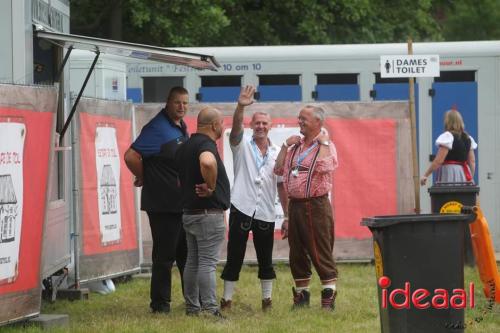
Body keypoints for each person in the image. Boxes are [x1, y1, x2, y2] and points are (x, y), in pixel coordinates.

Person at [220, 86, 288, 311]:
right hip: (241, 206)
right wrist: (240, 106)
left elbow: (281, 186)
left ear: (270, 127)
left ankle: (267, 300)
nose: (260, 126)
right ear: (251, 125)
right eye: (257, 123)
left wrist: (286, 215)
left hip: (266, 211)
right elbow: (236, 127)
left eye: (264, 123)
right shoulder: (240, 145)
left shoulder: (278, 151)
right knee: (235, 255)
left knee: (265, 257)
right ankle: (227, 299)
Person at [124, 86, 189, 314]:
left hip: (180, 204)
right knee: (164, 256)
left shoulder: (181, 126)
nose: (181, 107)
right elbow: (131, 155)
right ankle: (160, 304)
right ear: (167, 103)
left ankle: (192, 299)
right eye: (177, 103)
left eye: (185, 103)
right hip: (162, 204)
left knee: (186, 254)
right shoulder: (156, 127)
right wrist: (143, 175)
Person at [274, 105, 339, 310]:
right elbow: (277, 169)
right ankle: (302, 296)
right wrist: (284, 146)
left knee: (320, 249)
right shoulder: (295, 147)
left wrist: (324, 142)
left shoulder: (326, 145)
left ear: (318, 122)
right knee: (297, 252)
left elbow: (325, 167)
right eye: (299, 118)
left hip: (316, 205)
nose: (299, 121)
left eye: (304, 119)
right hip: (295, 206)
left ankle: (328, 295)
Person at [175, 107, 230, 318]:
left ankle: (192, 308)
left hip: (189, 212)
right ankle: (209, 309)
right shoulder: (206, 145)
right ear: (214, 125)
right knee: (207, 263)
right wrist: (212, 186)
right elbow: (207, 161)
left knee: (192, 262)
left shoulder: (185, 145)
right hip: (208, 213)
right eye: (222, 124)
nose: (222, 127)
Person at [420, 109, 477, 186]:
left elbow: (439, 161)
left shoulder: (448, 136)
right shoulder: (468, 138)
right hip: (463, 173)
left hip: (449, 172)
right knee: (462, 197)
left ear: (447, 122)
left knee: (448, 196)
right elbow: (472, 161)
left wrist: (425, 175)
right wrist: (469, 177)